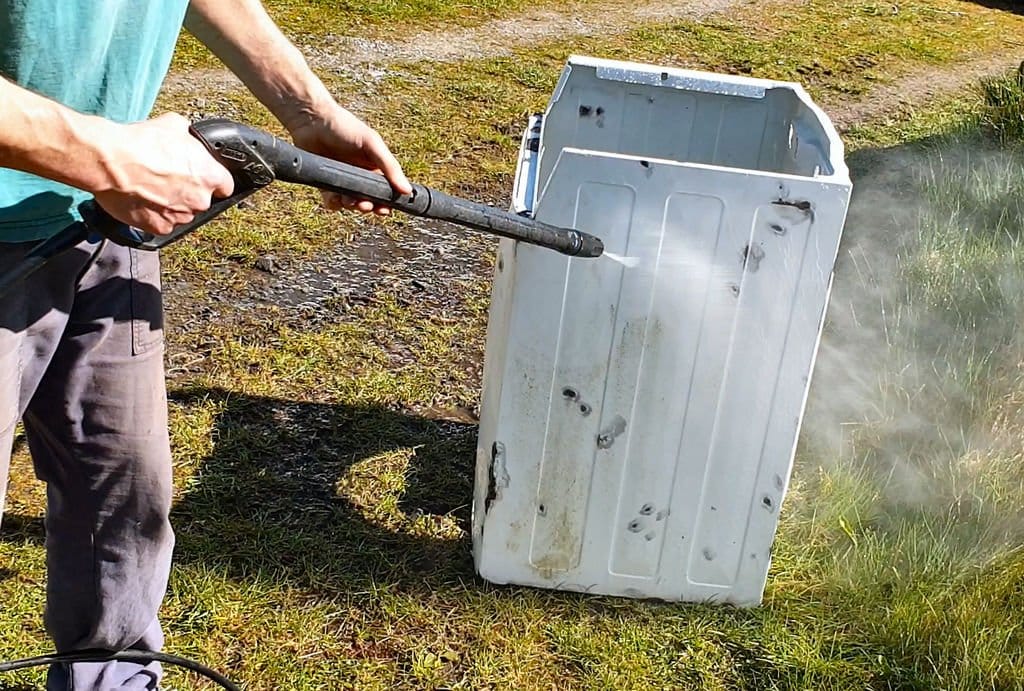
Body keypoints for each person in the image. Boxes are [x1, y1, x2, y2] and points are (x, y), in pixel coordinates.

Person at [0, 1, 412, 689]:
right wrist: (109, 155)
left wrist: (309, 110)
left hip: (106, 220)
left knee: (122, 494)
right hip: (95, 180)